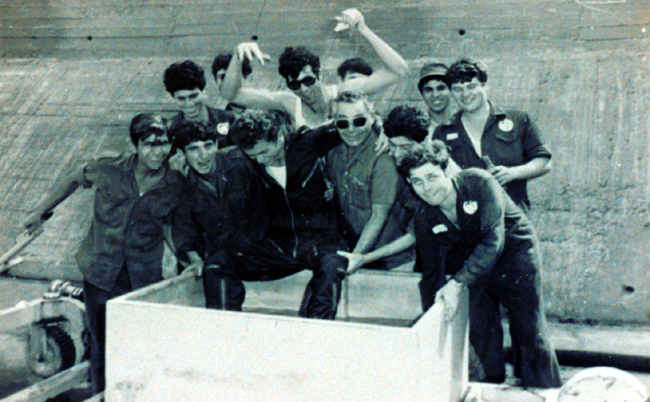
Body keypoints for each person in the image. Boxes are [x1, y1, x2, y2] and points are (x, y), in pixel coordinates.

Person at [339, 143, 562, 388]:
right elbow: (432, 274)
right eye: (417, 181)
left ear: (447, 171)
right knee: (479, 327)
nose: (427, 187)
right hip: (475, 261)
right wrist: (432, 318)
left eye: (432, 177)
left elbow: (493, 241)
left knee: (528, 328)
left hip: (514, 255)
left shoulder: (479, 182)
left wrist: (456, 283)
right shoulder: (424, 216)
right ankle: (486, 387)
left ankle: (545, 389)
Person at [23, 114, 184, 394]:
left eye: (164, 144)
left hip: (142, 276)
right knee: (101, 345)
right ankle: (102, 395)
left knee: (140, 343)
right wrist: (41, 211)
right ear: (135, 145)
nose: (158, 151)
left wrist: (188, 258)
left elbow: (168, 225)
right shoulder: (109, 169)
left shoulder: (175, 182)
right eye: (149, 144)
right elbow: (74, 179)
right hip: (100, 271)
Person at [200, 110, 347, 319]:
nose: (261, 160)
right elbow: (212, 156)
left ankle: (317, 333)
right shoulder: (244, 156)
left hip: (321, 242)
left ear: (279, 136)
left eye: (264, 152)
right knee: (218, 263)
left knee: (333, 268)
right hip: (280, 245)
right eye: (253, 156)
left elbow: (351, 122)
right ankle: (225, 327)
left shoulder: (307, 141)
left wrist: (381, 132)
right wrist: (180, 160)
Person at [221, 8, 409, 128]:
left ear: (320, 75)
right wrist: (238, 56)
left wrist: (363, 29)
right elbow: (232, 95)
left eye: (308, 81)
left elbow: (399, 70)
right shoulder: (289, 103)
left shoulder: (344, 92)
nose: (303, 90)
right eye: (295, 85)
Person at [169, 120, 271, 307]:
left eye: (208, 146)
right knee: (216, 269)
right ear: (181, 154)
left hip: (265, 248)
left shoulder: (242, 162)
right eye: (193, 149)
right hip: (227, 257)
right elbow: (183, 227)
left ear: (216, 145)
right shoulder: (182, 182)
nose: (203, 155)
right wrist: (195, 259)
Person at [433, 57, 552, 211]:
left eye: (471, 86)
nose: (465, 94)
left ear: (485, 85)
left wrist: (513, 173)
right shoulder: (443, 131)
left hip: (513, 214)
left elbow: (544, 162)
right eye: (458, 89)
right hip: (467, 217)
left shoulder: (518, 119)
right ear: (451, 92)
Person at [328, 91, 413, 270]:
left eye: (359, 121)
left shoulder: (383, 157)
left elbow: (378, 216)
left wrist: (354, 258)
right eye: (343, 123)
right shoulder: (334, 153)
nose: (351, 129)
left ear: (372, 118)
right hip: (358, 253)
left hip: (392, 260)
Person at [163, 60, 235, 147]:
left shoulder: (229, 119)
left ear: (204, 92)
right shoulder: (169, 129)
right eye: (181, 98)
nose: (188, 103)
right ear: (173, 98)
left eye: (193, 96)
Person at [418, 62, 459, 135]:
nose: (435, 95)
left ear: (451, 91)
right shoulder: (418, 128)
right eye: (429, 90)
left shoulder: (464, 123)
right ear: (422, 94)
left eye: (440, 88)